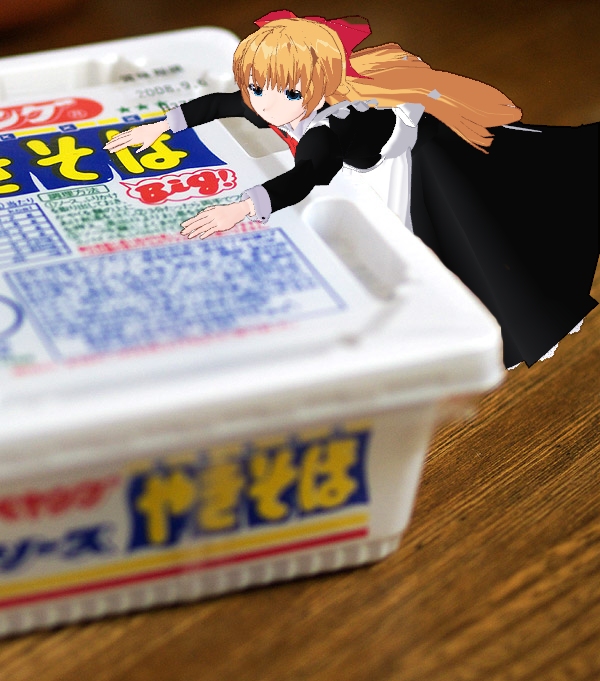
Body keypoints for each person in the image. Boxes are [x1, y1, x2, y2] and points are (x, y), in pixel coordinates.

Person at [104, 10, 599, 370]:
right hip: (373, 161)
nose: (265, 103)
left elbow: (307, 175)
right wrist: (161, 126)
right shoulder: (272, 100)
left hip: (412, 161)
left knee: (456, 239)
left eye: (287, 92)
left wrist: (241, 209)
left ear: (316, 87)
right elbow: (220, 103)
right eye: (256, 86)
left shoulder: (328, 127)